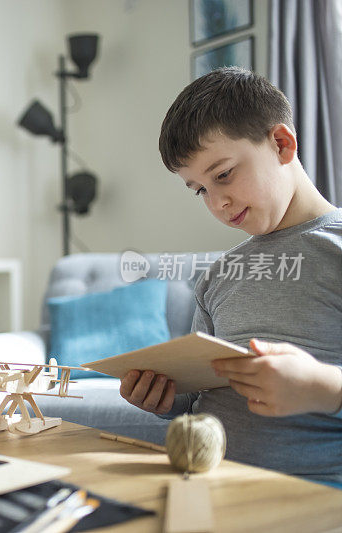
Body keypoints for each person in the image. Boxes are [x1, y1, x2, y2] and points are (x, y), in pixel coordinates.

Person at [120, 67, 342, 483]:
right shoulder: (220, 275)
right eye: (200, 189)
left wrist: (324, 387)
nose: (218, 202)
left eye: (223, 174)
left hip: (317, 497)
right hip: (212, 487)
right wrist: (162, 396)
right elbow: (197, 399)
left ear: (281, 144)